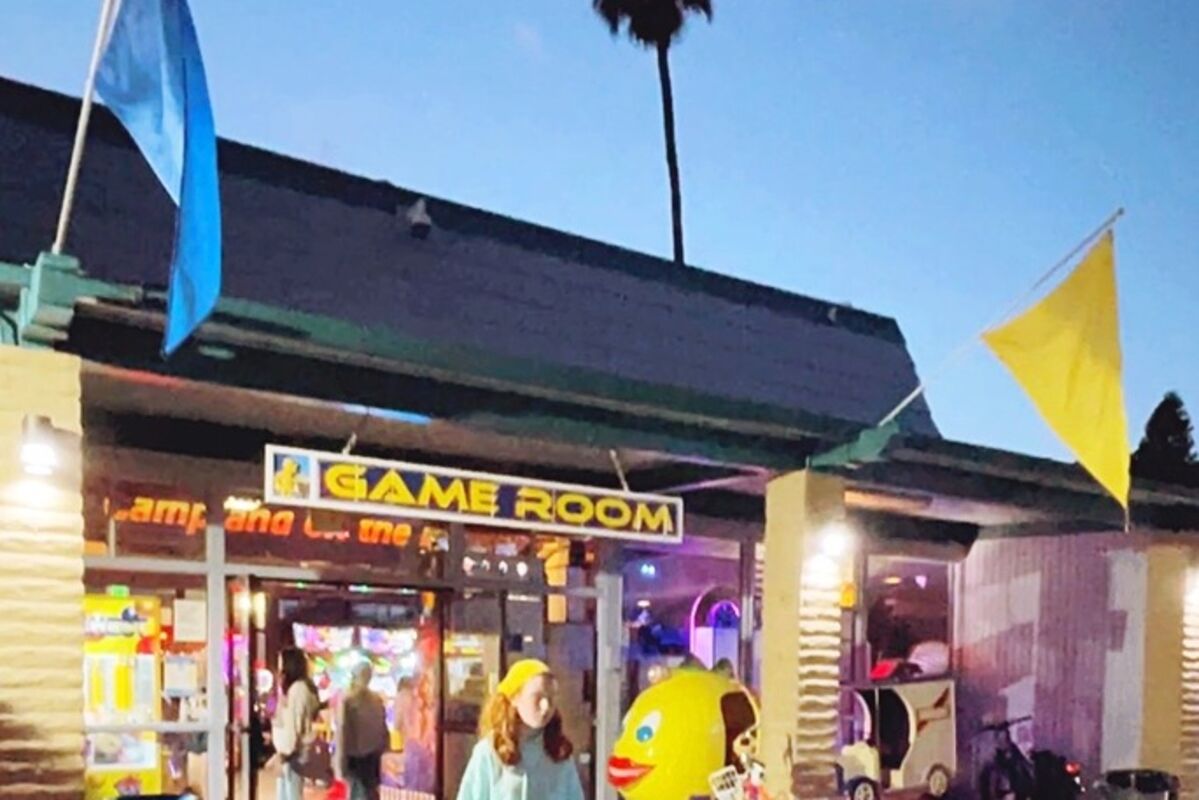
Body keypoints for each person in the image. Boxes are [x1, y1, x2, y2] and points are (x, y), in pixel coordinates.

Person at [456, 659, 584, 800]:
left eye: (551, 698)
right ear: (514, 698)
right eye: (537, 697)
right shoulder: (490, 752)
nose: (546, 706)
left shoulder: (559, 753)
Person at [335, 659, 390, 800]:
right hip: (373, 758)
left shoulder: (347, 700)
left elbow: (342, 732)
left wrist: (339, 762)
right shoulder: (377, 700)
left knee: (355, 794)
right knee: (371, 794)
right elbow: (384, 732)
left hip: (354, 758)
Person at [272, 647, 322, 800]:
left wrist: (283, 754)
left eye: (281, 663)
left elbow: (293, 725)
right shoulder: (293, 690)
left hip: (292, 754)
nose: (279, 667)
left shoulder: (298, 690)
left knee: (291, 794)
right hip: (289, 753)